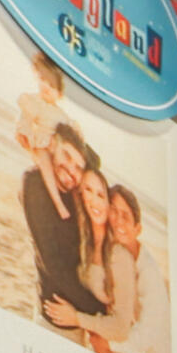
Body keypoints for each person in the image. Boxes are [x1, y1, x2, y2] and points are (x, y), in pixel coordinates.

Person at [76, 176, 165, 353]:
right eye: (113, 211)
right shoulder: (116, 254)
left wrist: (107, 344)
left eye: (125, 215)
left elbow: (144, 335)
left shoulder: (149, 274)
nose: (117, 220)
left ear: (138, 229)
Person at [23, 124, 109, 340]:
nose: (72, 170)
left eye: (79, 167)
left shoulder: (73, 191)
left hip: (77, 317)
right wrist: (97, 311)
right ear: (52, 145)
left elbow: (94, 162)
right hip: (54, 319)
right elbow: (54, 263)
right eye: (66, 156)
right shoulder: (35, 184)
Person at [11, 52, 65, 168]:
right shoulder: (34, 101)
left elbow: (69, 128)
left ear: (59, 95)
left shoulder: (61, 114)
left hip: (55, 150)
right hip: (40, 146)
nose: (45, 86)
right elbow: (26, 117)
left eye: (51, 85)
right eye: (43, 80)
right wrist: (24, 133)